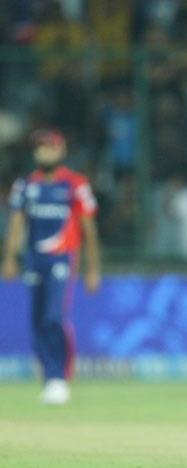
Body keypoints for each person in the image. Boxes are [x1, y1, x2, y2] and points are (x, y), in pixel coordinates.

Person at [1, 129, 101, 405]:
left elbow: (88, 229)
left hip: (62, 260)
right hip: (33, 261)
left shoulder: (75, 184)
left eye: (50, 147)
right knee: (36, 321)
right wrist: (9, 258)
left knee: (53, 317)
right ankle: (48, 377)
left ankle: (58, 376)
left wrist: (92, 269)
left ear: (61, 150)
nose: (44, 152)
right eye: (40, 148)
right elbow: (17, 223)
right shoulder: (25, 186)